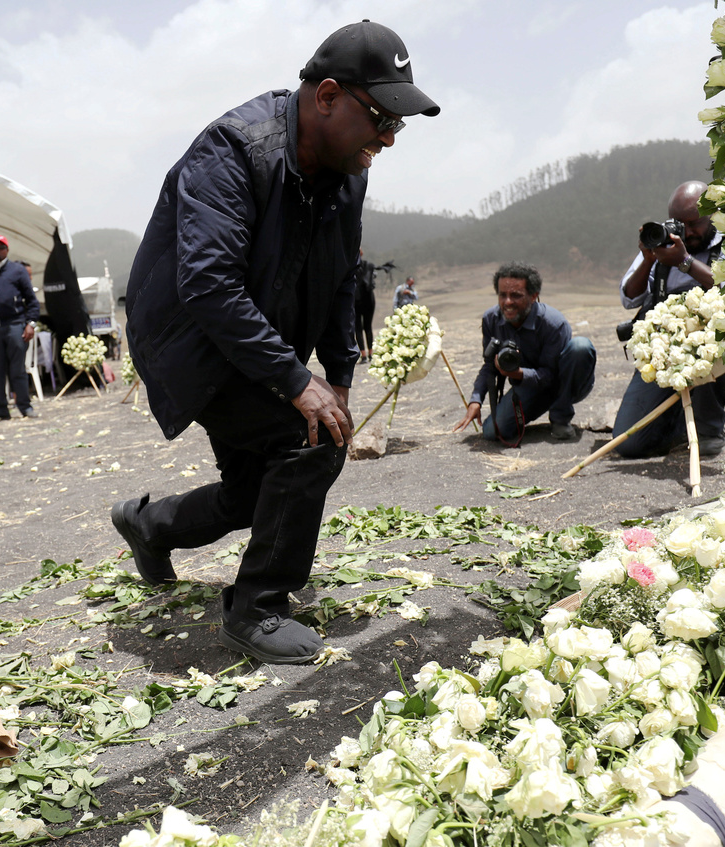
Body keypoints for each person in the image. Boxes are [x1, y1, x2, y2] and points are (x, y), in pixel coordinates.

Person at [110, 20, 439, 664]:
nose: (388, 138)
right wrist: (295, 382)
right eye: (380, 118)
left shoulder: (348, 171)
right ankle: (256, 607)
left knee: (251, 493)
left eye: (398, 124)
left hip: (250, 338)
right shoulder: (233, 151)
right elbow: (208, 285)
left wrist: (337, 375)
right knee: (310, 441)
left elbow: (342, 275)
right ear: (327, 96)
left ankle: (147, 526)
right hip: (194, 340)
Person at [614, 181, 725, 457]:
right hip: (665, 351)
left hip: (713, 352)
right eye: (679, 223)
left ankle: (708, 429)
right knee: (628, 445)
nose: (687, 231)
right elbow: (629, 298)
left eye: (694, 223)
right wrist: (648, 258)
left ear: (713, 215)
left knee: (717, 339)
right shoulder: (664, 244)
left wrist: (685, 261)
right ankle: (677, 422)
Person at [453, 263, 596, 444]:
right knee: (492, 431)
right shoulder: (491, 319)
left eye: (516, 295)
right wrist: (476, 400)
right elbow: (489, 366)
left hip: (564, 384)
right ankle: (540, 405)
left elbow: (552, 375)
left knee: (580, 347)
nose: (507, 302)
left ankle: (561, 417)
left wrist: (518, 374)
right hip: (530, 387)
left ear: (533, 296)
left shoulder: (554, 323)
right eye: (502, 295)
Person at [0, 235, 39, 421]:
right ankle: (0, 409)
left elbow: (32, 300)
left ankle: (25, 406)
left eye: (1, 247)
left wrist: (31, 323)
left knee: (17, 369)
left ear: (7, 250)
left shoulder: (17, 271)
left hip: (14, 324)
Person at [353, 250, 375, 363]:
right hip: (368, 300)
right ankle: (369, 354)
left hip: (357, 300)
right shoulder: (369, 266)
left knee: (359, 328)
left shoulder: (351, 267)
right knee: (367, 327)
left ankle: (365, 355)